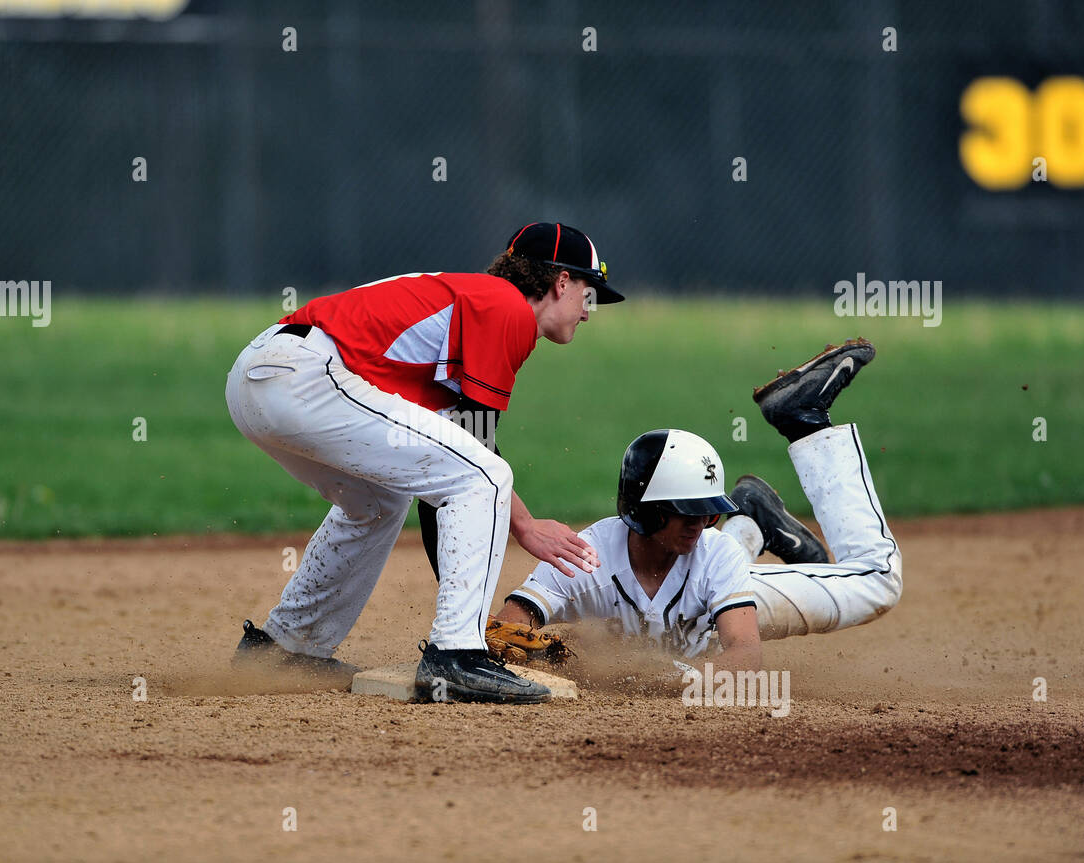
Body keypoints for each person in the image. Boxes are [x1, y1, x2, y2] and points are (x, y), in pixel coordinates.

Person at [226, 222, 625, 703]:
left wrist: (484, 585)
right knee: (485, 477)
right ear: (561, 282)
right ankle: (457, 655)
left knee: (378, 500)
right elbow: (477, 463)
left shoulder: (474, 302)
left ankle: (286, 648)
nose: (588, 311)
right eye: (588, 292)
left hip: (262, 378)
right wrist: (523, 528)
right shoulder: (505, 309)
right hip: (306, 376)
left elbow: (448, 473)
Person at [494, 339, 901, 658]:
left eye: (709, 513)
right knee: (707, 576)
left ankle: (805, 419)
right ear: (646, 511)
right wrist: (540, 654)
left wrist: (672, 682)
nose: (700, 523)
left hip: (731, 590)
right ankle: (752, 523)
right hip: (707, 601)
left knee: (879, 582)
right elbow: (506, 628)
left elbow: (745, 656)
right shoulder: (585, 560)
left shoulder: (714, 554)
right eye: (688, 511)